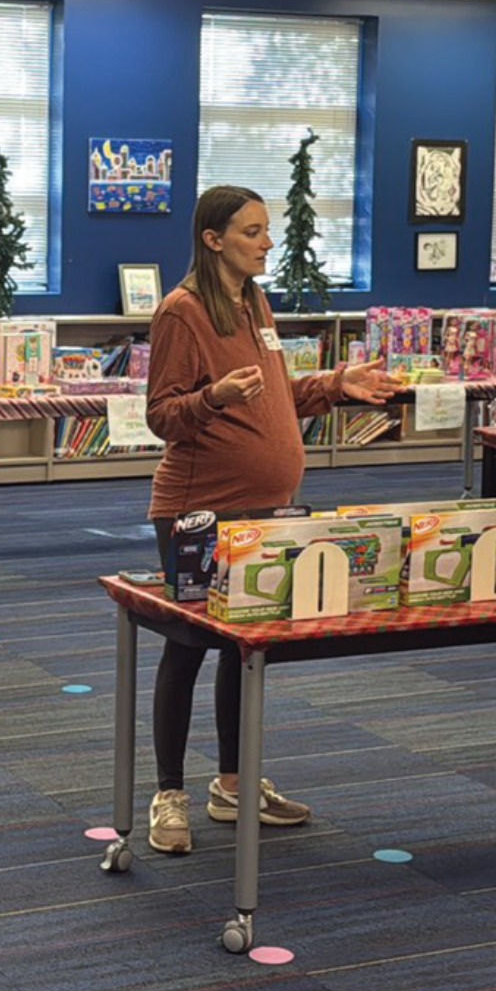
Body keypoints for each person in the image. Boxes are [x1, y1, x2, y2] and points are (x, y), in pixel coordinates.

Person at [142, 184, 398, 855]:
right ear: (214, 239)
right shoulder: (182, 311)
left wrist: (334, 386)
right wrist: (211, 398)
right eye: (253, 231)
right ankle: (169, 794)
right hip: (196, 512)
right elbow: (162, 415)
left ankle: (233, 784)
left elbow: (275, 397)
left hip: (264, 511)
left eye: (267, 229)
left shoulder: (254, 302)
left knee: (245, 647)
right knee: (189, 646)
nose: (268, 241)